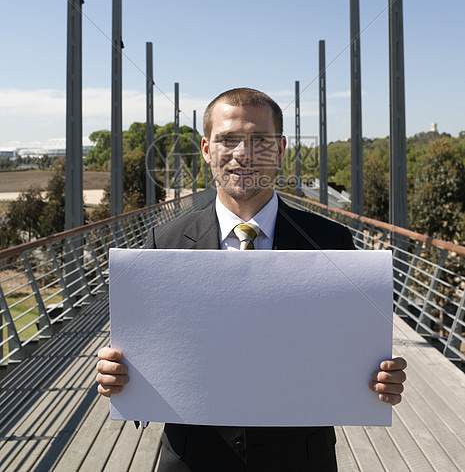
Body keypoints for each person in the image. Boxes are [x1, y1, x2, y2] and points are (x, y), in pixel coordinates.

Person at [96, 88, 407, 471]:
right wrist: (123, 378)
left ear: (280, 150)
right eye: (228, 140)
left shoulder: (332, 242)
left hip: (299, 459)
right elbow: (146, 354)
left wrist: (379, 380)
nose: (243, 154)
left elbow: (351, 353)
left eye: (259, 141)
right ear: (208, 150)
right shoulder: (165, 243)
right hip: (192, 458)